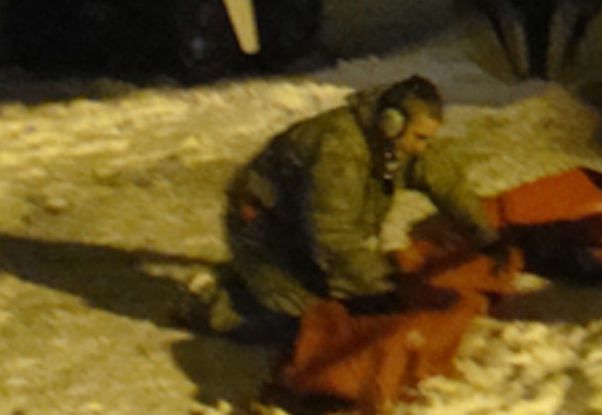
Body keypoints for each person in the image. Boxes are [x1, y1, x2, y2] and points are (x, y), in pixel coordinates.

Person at [205, 76, 497, 334]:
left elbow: (445, 182)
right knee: (308, 327)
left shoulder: (393, 143)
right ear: (391, 122)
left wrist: (485, 233)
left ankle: (260, 281)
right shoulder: (341, 151)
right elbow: (333, 235)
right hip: (264, 232)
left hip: (303, 232)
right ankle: (218, 307)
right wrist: (384, 285)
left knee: (349, 299)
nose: (422, 147)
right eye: (419, 137)